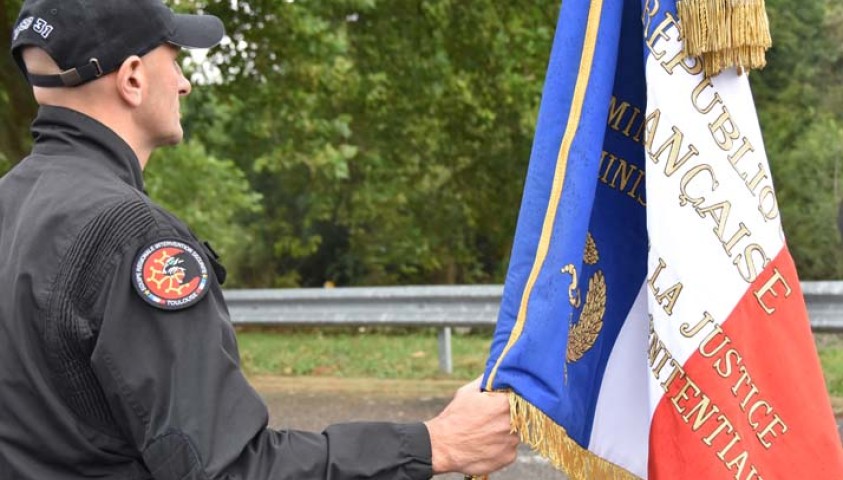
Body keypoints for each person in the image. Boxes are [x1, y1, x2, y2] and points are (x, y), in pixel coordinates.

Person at [0, 0, 518, 478]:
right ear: (133, 78)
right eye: (175, 60)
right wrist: (436, 444)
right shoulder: (135, 238)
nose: (184, 83)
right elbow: (229, 469)